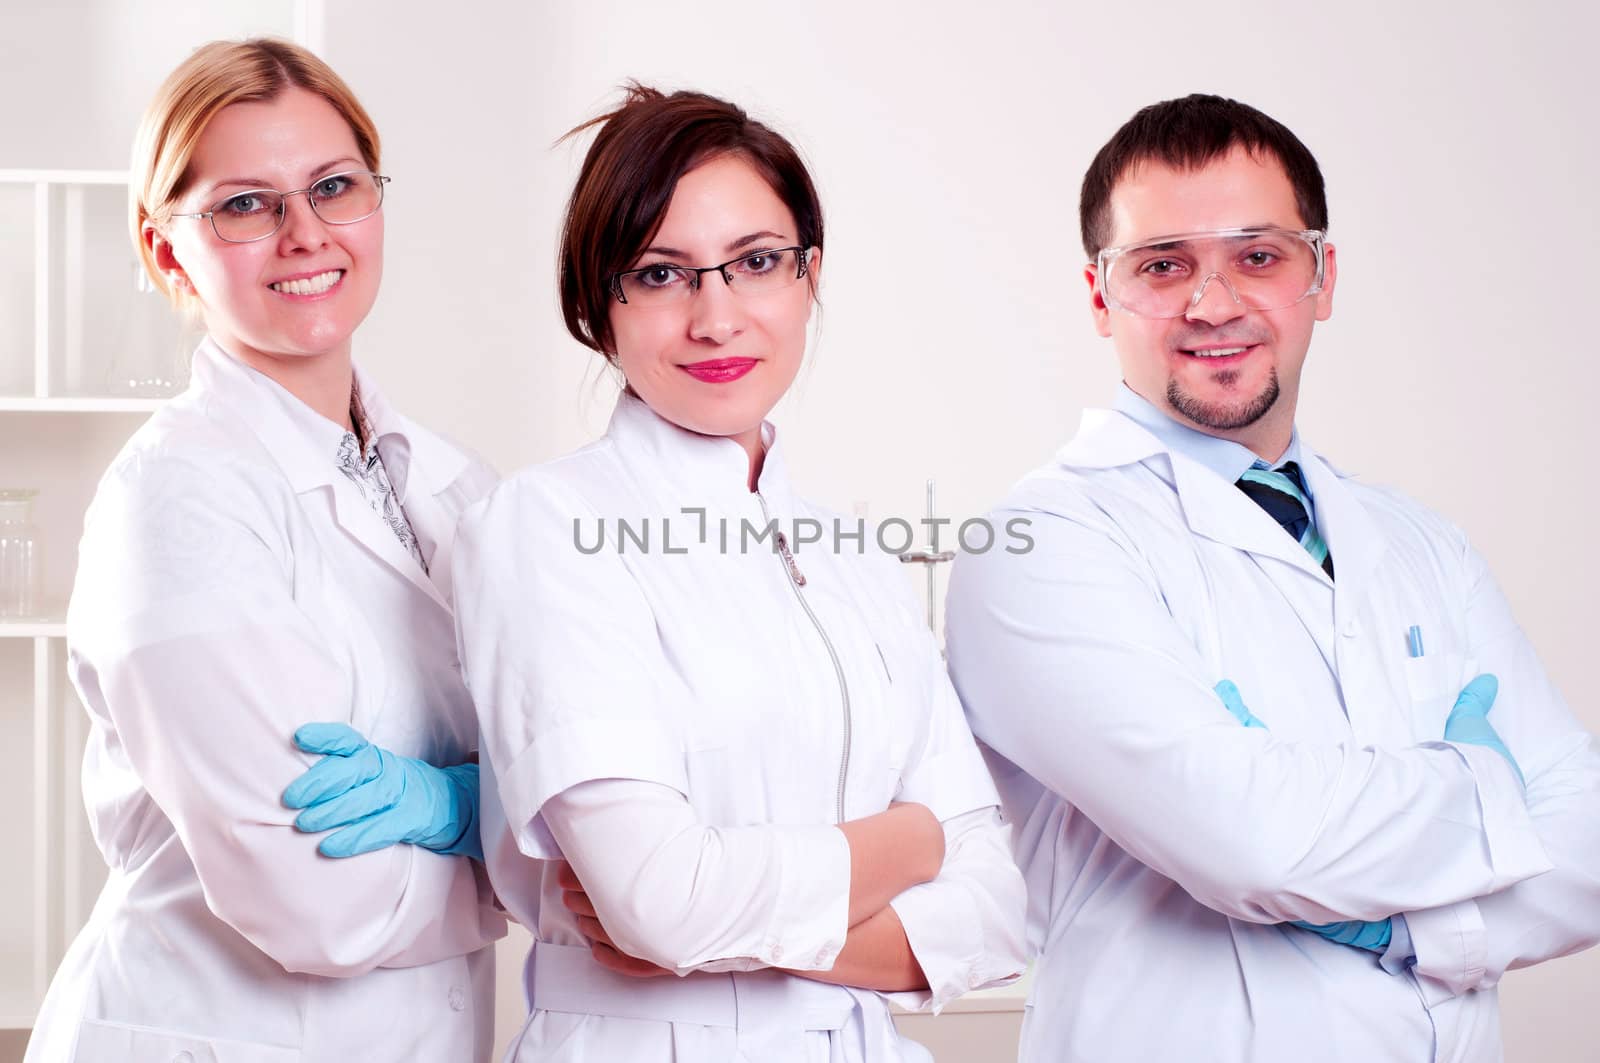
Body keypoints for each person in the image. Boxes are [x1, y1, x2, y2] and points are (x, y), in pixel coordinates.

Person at [945, 93, 1600, 1061]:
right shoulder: (1038, 546)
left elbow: (1585, 834)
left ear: (1321, 276)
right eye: (1161, 265)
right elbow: (1248, 840)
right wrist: (1487, 783)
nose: (1212, 304)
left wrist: (1417, 932)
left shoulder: (1424, 547)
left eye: (1258, 256)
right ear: (1098, 295)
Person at [453, 85, 1027, 1062]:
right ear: (598, 302)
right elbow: (660, 902)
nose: (717, 318)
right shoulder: (545, 527)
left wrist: (719, 936)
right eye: (663, 273)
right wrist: (915, 838)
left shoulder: (856, 556)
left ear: (808, 277)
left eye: (757, 263)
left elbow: (1004, 904)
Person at [25, 38, 504, 1063]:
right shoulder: (178, 504)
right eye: (246, 204)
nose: (305, 233)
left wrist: (480, 810)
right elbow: (320, 905)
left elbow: (578, 751)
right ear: (165, 250)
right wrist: (518, 845)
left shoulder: (462, 487)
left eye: (334, 187)